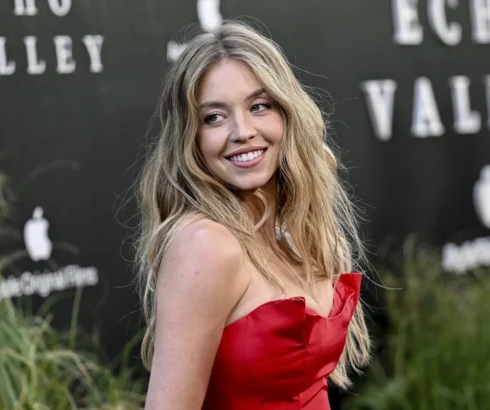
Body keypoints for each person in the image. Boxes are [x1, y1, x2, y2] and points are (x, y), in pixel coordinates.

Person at [134, 20, 371, 410]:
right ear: (190, 138)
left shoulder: (292, 234)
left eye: (259, 106)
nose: (242, 131)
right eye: (214, 117)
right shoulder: (205, 244)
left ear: (286, 114)